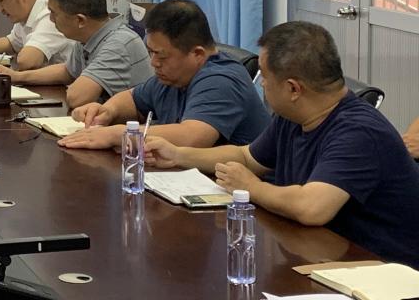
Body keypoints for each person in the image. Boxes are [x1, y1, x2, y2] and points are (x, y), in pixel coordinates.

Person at [145, 21, 419, 269]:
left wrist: (252, 188)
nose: (262, 84)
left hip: (383, 272)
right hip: (325, 258)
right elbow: (247, 157)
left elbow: (312, 208)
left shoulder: (359, 132)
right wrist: (178, 155)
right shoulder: (295, 116)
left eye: (265, 77)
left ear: (293, 89)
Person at [60, 0, 269, 150]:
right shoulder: (174, 76)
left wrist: (117, 134)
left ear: (197, 54)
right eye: (151, 52)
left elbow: (192, 137)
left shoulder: (221, 79)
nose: (153, 63)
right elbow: (133, 99)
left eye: (161, 55)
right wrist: (107, 111)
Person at [0, 0, 152, 106]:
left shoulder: (118, 44)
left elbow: (77, 97)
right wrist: (16, 77)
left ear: (80, 20)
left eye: (54, 13)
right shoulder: (88, 38)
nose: (51, 19)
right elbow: (67, 71)